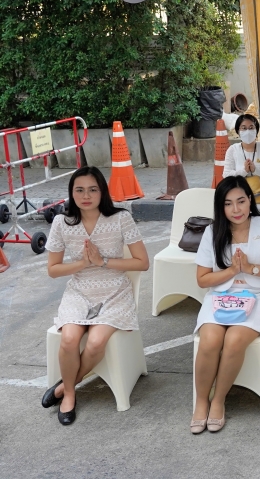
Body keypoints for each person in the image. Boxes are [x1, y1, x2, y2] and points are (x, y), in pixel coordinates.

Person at [41, 167, 149, 425]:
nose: (86, 195)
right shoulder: (62, 222)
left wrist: (102, 261)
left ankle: (65, 388)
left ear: (102, 192)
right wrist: (82, 264)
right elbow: (53, 270)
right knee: (68, 340)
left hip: (115, 290)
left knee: (96, 342)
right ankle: (69, 395)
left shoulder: (121, 218)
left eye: (92, 189)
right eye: (79, 190)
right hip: (79, 289)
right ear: (71, 193)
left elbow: (142, 263)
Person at [191, 176, 260, 434]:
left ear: (250, 201)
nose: (236, 209)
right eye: (228, 204)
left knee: (234, 340)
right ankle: (201, 401)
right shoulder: (213, 232)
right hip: (220, 297)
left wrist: (249, 268)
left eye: (241, 201)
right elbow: (203, 280)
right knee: (210, 340)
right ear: (220, 207)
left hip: (259, 297)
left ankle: (219, 400)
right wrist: (232, 271)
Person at [223, 113, 260, 215]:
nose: (248, 131)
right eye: (243, 128)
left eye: (251, 127)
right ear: (238, 131)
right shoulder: (232, 150)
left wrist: (256, 170)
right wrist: (244, 171)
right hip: (240, 198)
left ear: (256, 130)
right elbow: (226, 175)